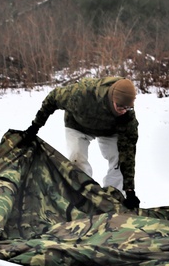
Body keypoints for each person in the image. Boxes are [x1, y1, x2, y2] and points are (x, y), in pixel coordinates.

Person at [21, 76, 140, 209]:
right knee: (77, 159)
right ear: (112, 97)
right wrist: (35, 126)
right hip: (78, 124)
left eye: (127, 107)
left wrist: (129, 190)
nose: (123, 110)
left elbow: (128, 152)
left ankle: (114, 199)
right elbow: (53, 97)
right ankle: (84, 197)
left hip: (109, 130)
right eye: (120, 106)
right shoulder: (81, 94)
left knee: (118, 159)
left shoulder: (127, 116)